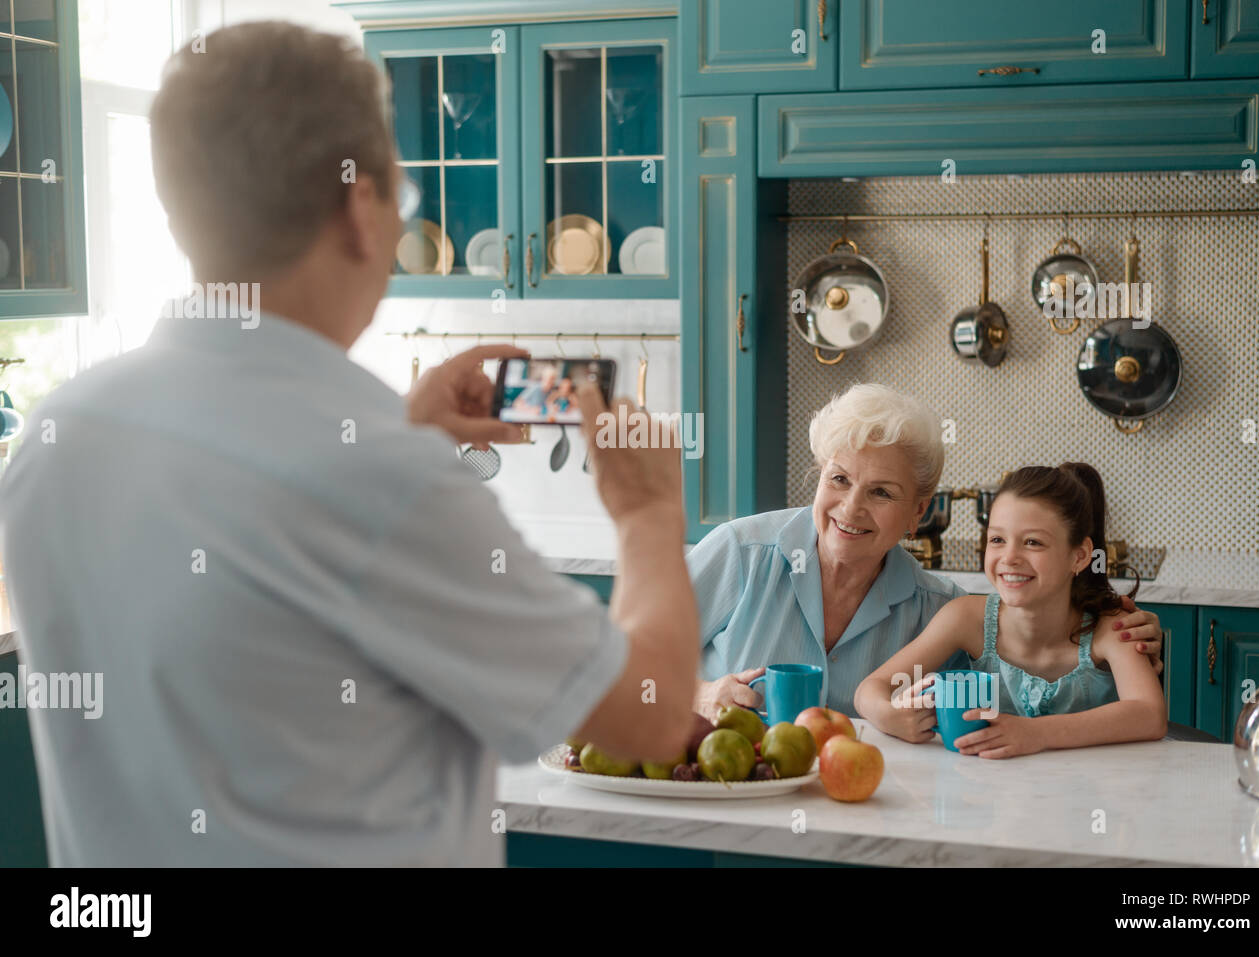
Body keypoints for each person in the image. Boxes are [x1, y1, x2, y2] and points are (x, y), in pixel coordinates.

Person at [0, 21, 697, 866]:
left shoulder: (55, 434)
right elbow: (650, 717)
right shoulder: (378, 477)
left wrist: (400, 428)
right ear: (358, 208)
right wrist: (649, 510)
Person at [688, 384, 1166, 720]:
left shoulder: (938, 610)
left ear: (918, 513)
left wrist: (1113, 638)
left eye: (881, 493)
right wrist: (701, 694)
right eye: (839, 480)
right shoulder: (741, 554)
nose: (850, 508)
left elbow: (1024, 690)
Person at [855, 463, 1167, 756]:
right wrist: (889, 714)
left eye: (1032, 542)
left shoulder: (1111, 628)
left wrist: (1036, 733)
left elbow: (1150, 715)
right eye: (998, 539)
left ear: (1080, 555)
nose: (1010, 557)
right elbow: (870, 689)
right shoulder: (966, 618)